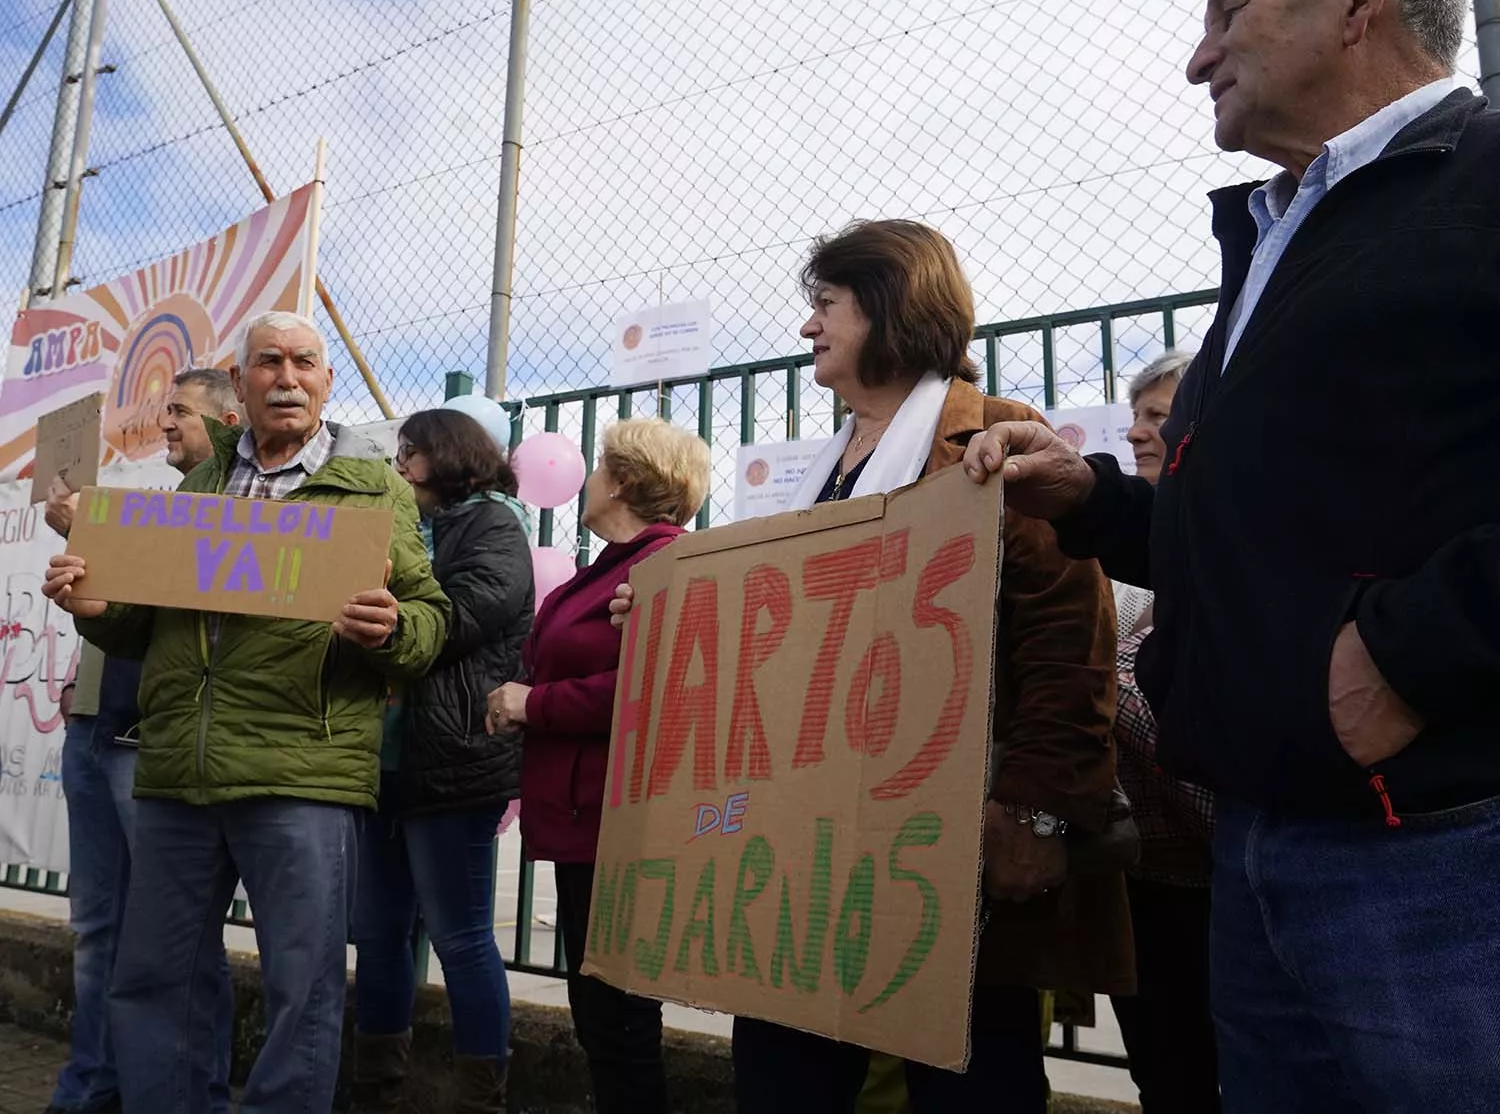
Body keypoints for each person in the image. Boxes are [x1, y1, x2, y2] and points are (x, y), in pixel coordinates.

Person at [961, 0, 1500, 1107]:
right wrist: (1098, 500)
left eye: (1229, 11)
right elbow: (1259, 543)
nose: (1198, 55)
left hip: (1436, 854)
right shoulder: (1279, 231)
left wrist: (1413, 650)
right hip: (1255, 848)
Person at [611, 220, 1131, 1114]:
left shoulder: (995, 434)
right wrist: (670, 612)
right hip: (812, 859)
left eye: (825, 305)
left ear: (890, 306)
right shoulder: (823, 469)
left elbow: (1067, 640)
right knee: (781, 1080)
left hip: (954, 851)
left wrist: (1037, 809)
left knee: (970, 1083)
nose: (808, 327)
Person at [41, 311, 450, 1113]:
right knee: (154, 980)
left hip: (301, 773)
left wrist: (395, 628)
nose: (287, 377)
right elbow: (141, 622)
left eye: (304, 362)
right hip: (179, 772)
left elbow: (429, 616)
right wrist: (92, 605)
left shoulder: (374, 489)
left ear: (326, 382)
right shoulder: (199, 484)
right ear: (241, 385)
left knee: (302, 989)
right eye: (269, 362)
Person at [486, 417, 710, 1114]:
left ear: (627, 479)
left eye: (602, 464)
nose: (587, 476)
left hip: (620, 820)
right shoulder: (610, 569)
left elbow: (652, 685)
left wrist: (534, 703)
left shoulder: (665, 564)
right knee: (600, 1016)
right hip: (584, 815)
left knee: (618, 1020)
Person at [44, 367, 243, 1114]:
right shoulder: (151, 507)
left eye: (182, 412)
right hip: (92, 730)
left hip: (148, 745)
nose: (167, 424)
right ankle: (93, 1085)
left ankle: (193, 1095)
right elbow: (115, 615)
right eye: (164, 411)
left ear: (227, 422)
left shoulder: (238, 508)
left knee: (179, 944)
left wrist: (93, 535)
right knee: (98, 929)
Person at [351, 408, 535, 1114]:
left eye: (411, 452)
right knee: (376, 931)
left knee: (460, 937)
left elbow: (459, 616)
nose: (399, 465)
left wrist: (389, 607)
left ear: (447, 455)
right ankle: (377, 1087)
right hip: (389, 759)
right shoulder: (409, 522)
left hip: (454, 758)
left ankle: (478, 1099)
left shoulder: (493, 525)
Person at [1107, 351, 1219, 1114]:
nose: (1140, 432)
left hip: (1230, 887)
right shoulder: (1111, 565)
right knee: (1166, 1078)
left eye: (1161, 415)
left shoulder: (1232, 547)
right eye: (1137, 416)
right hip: (1141, 884)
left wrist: (1101, 685)